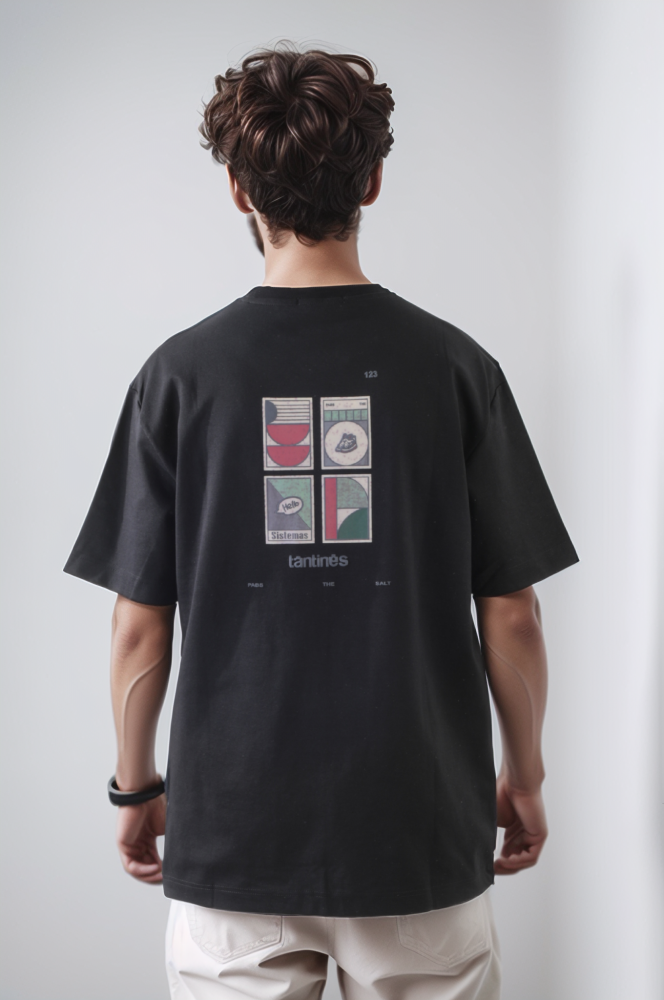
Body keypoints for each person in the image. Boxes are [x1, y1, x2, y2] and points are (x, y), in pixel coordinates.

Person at [64, 44, 578, 1000]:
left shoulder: (178, 377)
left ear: (237, 190)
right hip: (418, 832)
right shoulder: (457, 369)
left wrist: (135, 788)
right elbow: (513, 615)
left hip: (235, 839)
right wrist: (526, 777)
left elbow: (138, 627)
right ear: (373, 181)